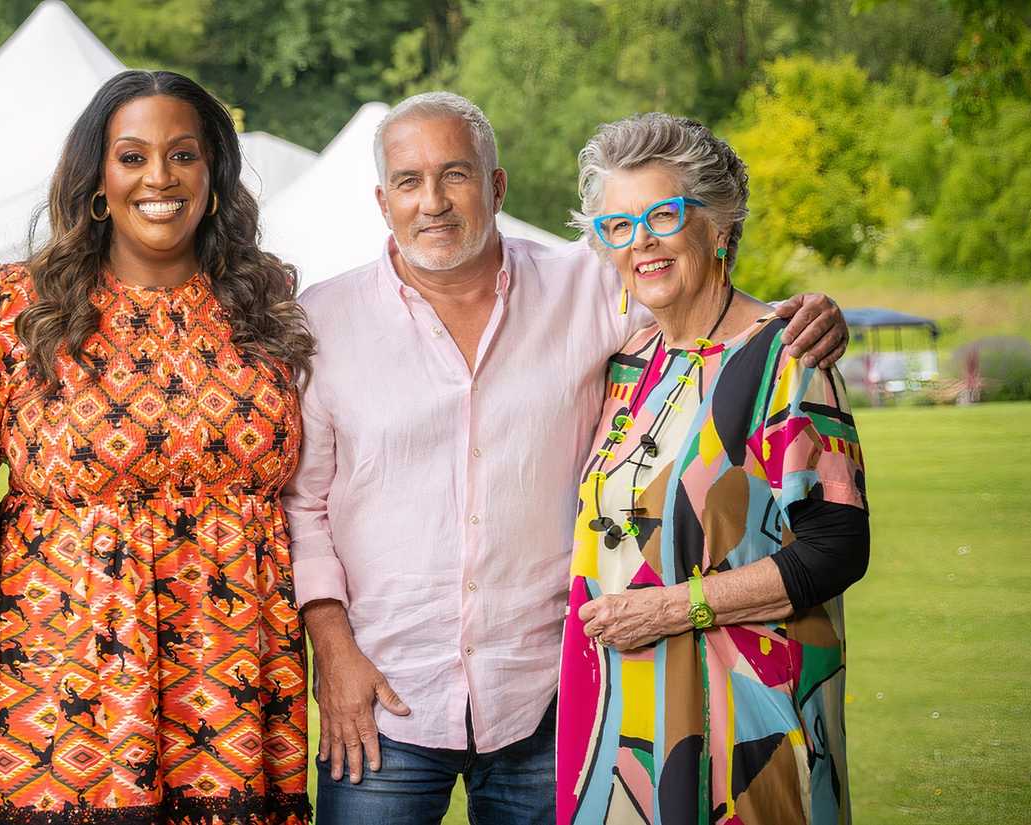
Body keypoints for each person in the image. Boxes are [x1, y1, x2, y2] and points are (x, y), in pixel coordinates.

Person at [284, 92, 849, 824]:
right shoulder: (322, 321)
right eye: (408, 181)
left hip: (555, 695)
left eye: (455, 174)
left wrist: (805, 316)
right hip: (383, 697)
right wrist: (333, 653)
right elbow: (304, 506)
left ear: (496, 186)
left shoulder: (591, 288)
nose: (432, 201)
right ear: (381, 199)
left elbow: (703, 302)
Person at [0, 69, 314, 824]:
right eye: (132, 157)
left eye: (183, 155)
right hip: (70, 669)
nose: (159, 177)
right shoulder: (21, 307)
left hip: (237, 663)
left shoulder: (269, 300)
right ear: (98, 181)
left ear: (213, 177)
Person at [557, 112, 869, 824]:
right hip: (619, 724)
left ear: (720, 225)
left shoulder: (788, 357)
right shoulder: (629, 364)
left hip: (748, 723)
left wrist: (671, 608)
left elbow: (836, 547)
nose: (641, 242)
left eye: (663, 216)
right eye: (618, 226)